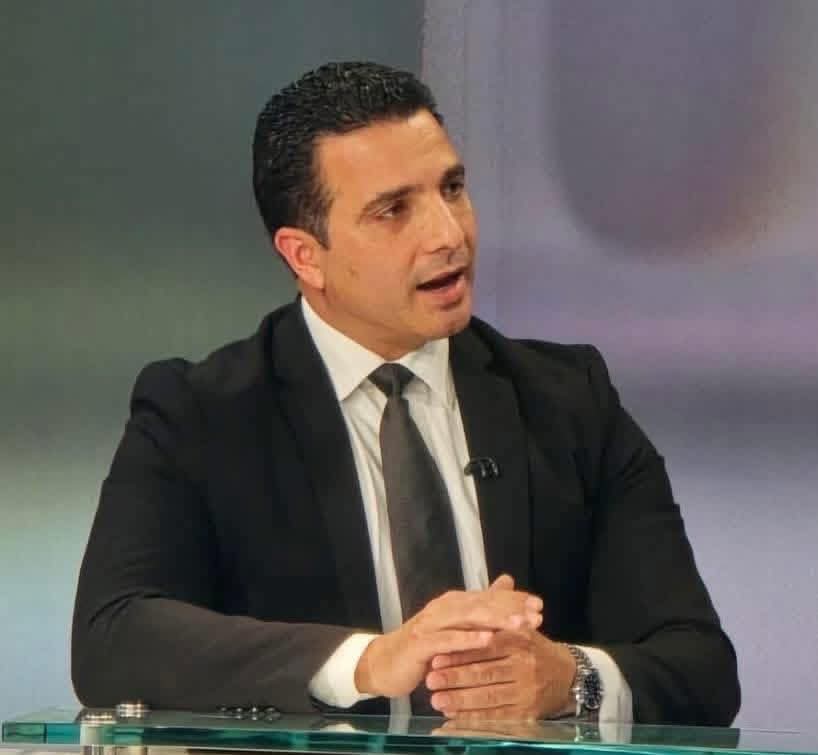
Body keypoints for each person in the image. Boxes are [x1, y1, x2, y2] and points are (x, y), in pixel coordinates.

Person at [71, 61, 740, 726]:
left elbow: (700, 668)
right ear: (305, 255)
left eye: (453, 188)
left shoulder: (569, 402)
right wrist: (369, 660)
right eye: (394, 210)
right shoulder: (201, 415)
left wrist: (569, 680)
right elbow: (112, 638)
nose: (449, 234)